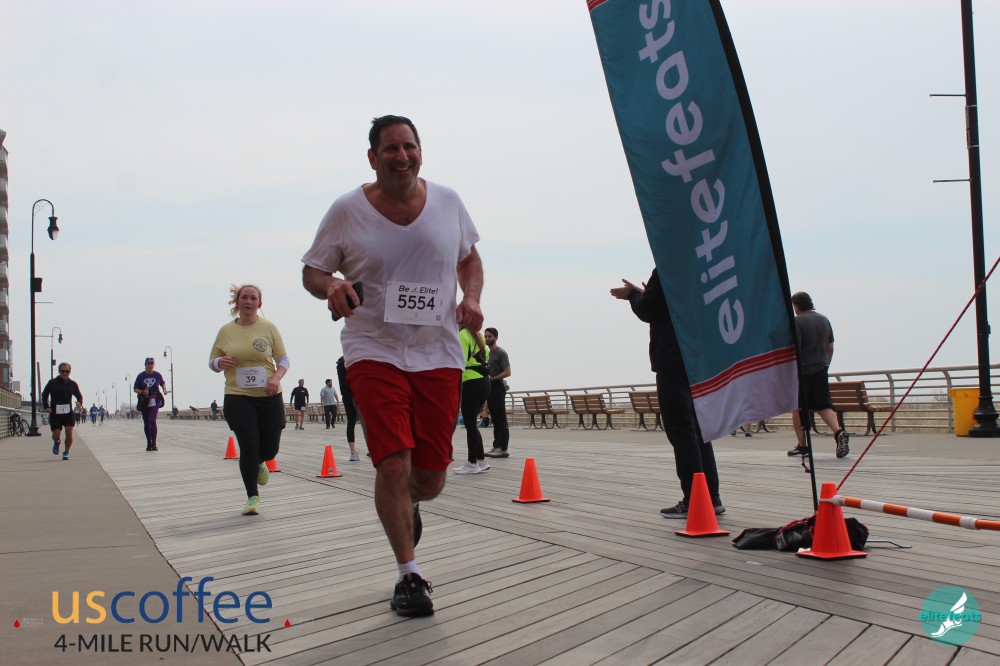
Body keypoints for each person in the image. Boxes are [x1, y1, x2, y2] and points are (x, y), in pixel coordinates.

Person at [301, 115, 483, 617]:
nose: (402, 156)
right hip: (373, 348)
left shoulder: (448, 202)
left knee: (430, 478)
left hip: (437, 353)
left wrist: (471, 297)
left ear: (420, 151)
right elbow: (312, 271)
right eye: (390, 149)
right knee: (393, 462)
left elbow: (469, 259)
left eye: (409, 147)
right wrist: (332, 285)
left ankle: (411, 503)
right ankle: (409, 575)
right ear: (372, 158)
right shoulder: (347, 210)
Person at [611, 268, 724, 519]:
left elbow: (648, 310)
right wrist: (643, 293)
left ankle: (694, 499)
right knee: (700, 430)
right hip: (697, 358)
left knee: (681, 430)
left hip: (672, 359)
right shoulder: (698, 268)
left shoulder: (667, 267)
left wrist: (633, 296)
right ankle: (711, 497)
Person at [209, 283, 289, 516]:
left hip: (269, 394)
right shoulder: (225, 331)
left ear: (259, 303)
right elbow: (212, 361)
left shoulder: (269, 327)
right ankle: (252, 496)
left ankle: (261, 461)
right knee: (248, 445)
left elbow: (283, 360)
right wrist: (219, 362)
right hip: (237, 395)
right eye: (244, 297)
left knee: (270, 448)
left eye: (253, 298)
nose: (249, 301)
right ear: (237, 302)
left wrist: (276, 377)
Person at [787, 292, 850, 458]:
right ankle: (838, 432)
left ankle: (803, 445)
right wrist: (825, 365)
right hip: (821, 368)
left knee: (798, 407)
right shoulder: (824, 320)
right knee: (823, 405)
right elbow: (830, 347)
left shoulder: (797, 321)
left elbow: (795, 349)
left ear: (796, 306)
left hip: (802, 371)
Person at [453, 328, 491, 474]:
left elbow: (459, 362)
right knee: (472, 425)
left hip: (471, 382)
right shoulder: (478, 335)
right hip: (484, 382)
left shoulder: (462, 335)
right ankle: (481, 460)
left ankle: (472, 463)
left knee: (470, 425)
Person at [41, 362, 84, 460]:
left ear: (70, 372)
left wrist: (79, 403)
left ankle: (66, 452)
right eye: (62, 371)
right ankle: (57, 442)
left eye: (67, 371)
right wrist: (46, 406)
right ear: (59, 371)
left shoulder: (73, 384)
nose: (65, 373)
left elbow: (79, 395)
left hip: (68, 413)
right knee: (56, 435)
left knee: (69, 432)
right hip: (55, 413)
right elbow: (44, 394)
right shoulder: (52, 383)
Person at [483, 327, 511, 458]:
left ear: (496, 338)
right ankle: (496, 446)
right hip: (490, 388)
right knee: (494, 419)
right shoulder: (487, 354)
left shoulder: (501, 353)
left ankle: (503, 448)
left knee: (501, 418)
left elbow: (508, 372)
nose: (487, 338)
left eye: (490, 336)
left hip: (498, 387)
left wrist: (493, 378)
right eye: (486, 336)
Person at [134, 358, 168, 451]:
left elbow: (162, 382)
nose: (150, 365)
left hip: (155, 399)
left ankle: (154, 443)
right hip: (144, 401)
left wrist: (164, 389)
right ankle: (149, 443)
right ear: (145, 365)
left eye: (152, 364)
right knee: (146, 422)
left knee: (152, 421)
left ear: (154, 365)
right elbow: (135, 389)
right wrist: (142, 392)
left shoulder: (157, 375)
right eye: (148, 364)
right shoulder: (140, 376)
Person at [336, 356, 362, 462]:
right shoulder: (353, 361)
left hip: (346, 396)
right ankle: (372, 449)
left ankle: (353, 452)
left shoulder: (339, 366)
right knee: (367, 422)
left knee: (351, 422)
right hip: (356, 394)